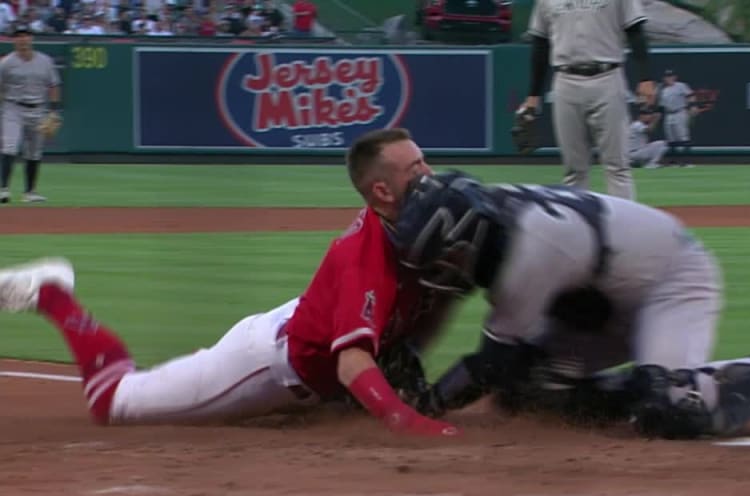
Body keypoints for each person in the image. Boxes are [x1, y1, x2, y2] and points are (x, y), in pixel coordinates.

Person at [0, 128, 460, 437]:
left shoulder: (421, 230)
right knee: (113, 403)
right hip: (263, 364)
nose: (429, 175)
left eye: (425, 163)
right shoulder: (365, 253)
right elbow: (351, 364)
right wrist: (410, 425)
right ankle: (53, 295)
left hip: (308, 342)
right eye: (415, 168)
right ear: (381, 191)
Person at [386, 170, 750, 440]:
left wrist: (426, 405)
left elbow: (493, 360)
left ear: (470, 237)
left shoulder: (531, 250)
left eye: (446, 255)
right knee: (528, 395)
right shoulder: (492, 217)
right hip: (598, 301)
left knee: (669, 411)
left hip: (671, 280)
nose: (442, 268)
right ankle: (644, 386)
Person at [521, 0, 655, 201]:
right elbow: (540, 43)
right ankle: (578, 230)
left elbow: (635, 30)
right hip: (565, 80)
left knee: (617, 166)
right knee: (574, 170)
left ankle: (624, 229)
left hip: (607, 77)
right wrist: (533, 96)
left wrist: (645, 77)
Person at [0, 24, 61, 204]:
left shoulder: (45, 61)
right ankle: (3, 189)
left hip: (39, 108)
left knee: (34, 152)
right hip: (14, 107)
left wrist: (54, 111)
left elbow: (54, 85)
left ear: (31, 38)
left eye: (25, 35)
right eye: (18, 36)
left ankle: (30, 192)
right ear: (13, 40)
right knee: (9, 147)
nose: (22, 39)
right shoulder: (6, 63)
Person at [656, 69, 696, 167]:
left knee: (683, 137)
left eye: (670, 76)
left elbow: (690, 96)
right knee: (671, 139)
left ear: (675, 77)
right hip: (669, 114)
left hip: (680, 112)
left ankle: (686, 161)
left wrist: (692, 107)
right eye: (667, 76)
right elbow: (661, 105)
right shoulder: (663, 89)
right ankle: (673, 161)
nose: (668, 78)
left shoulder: (681, 86)